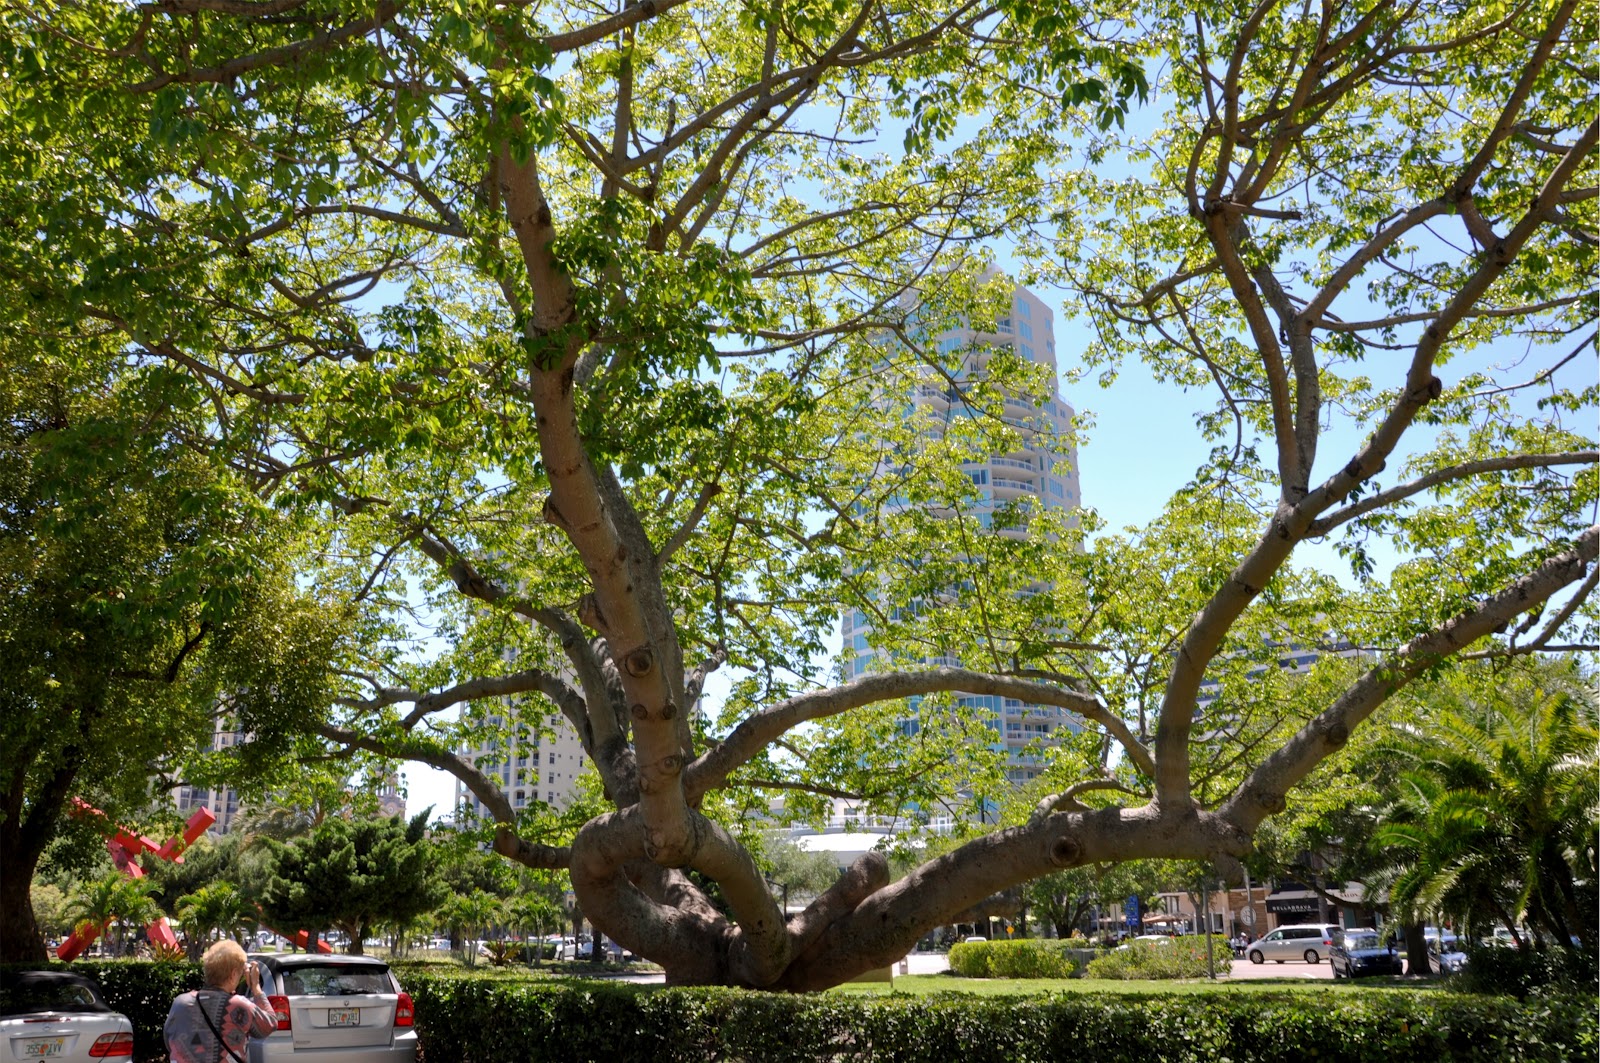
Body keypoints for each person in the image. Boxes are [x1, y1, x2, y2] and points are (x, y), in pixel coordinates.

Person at [165, 939, 277, 1063]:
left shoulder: (180, 1002)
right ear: (233, 974)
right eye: (240, 972)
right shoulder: (239, 1005)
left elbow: (169, 1040)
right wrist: (256, 988)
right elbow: (270, 1024)